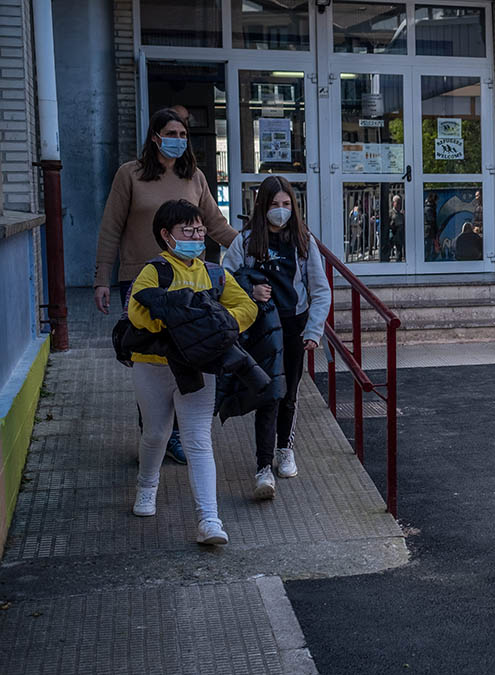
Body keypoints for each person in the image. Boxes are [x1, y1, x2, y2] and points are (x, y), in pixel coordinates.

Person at [95, 107, 239, 465]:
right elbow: (111, 227)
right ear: (155, 136)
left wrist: (253, 247)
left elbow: (215, 225)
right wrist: (101, 278)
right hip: (141, 280)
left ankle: (175, 435)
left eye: (182, 135)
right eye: (170, 133)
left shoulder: (195, 178)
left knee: (182, 354)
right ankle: (154, 433)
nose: (177, 140)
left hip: (187, 283)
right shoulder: (130, 175)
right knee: (149, 356)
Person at [126, 199, 258, 545]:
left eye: (200, 230)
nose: (197, 236)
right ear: (167, 236)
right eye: (189, 231)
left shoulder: (215, 272)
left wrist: (223, 323)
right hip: (153, 365)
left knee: (198, 440)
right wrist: (178, 323)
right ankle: (147, 487)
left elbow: (247, 306)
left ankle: (210, 520)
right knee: (155, 434)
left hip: (201, 368)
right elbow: (137, 310)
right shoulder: (154, 271)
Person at [223, 176, 331, 499]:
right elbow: (224, 279)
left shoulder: (303, 242)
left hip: (294, 326)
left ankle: (286, 448)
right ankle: (263, 467)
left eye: (286, 205)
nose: (280, 211)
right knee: (268, 394)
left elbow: (320, 290)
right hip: (260, 329)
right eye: (274, 205)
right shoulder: (245, 241)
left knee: (289, 393)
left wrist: (313, 330)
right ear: (262, 207)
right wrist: (249, 290)